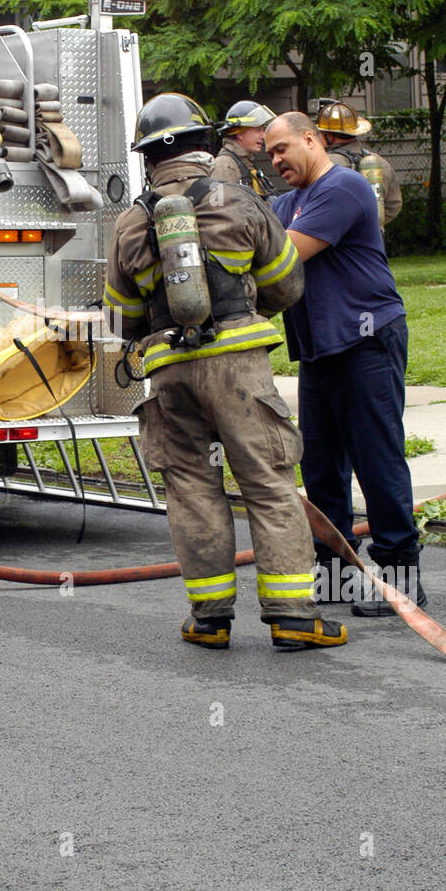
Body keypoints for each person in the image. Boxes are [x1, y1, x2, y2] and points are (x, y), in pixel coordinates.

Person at [104, 92, 347, 652]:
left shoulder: (130, 223)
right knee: (267, 482)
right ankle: (293, 615)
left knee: (192, 490)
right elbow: (287, 282)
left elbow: (120, 318)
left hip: (169, 377)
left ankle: (209, 619)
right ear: (204, 144)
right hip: (239, 369)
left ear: (148, 158)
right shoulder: (239, 201)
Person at [264, 111, 426, 616]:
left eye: (282, 148)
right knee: (321, 468)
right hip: (319, 348)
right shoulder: (288, 201)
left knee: (376, 461)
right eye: (269, 153)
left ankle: (401, 579)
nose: (275, 160)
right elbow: (252, 233)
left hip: (366, 340)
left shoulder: (346, 186)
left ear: (311, 140)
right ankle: (335, 575)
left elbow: (282, 255)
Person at [315, 99, 402, 229]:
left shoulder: (324, 165)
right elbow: (394, 205)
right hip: (373, 242)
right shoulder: (380, 162)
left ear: (329, 136)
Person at [212, 99, 286, 199]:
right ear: (240, 133)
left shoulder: (245, 162)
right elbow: (224, 208)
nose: (263, 136)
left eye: (263, 130)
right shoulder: (224, 165)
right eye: (258, 130)